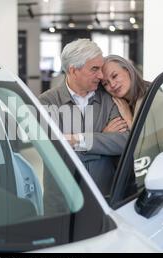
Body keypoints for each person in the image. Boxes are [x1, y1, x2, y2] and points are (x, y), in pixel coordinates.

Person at [39, 39, 129, 198]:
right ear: (73, 71)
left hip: (105, 197)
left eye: (101, 68)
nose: (101, 76)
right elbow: (54, 152)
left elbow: (124, 142)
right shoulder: (47, 102)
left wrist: (76, 141)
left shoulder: (109, 98)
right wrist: (103, 138)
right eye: (94, 69)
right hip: (62, 200)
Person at [101, 55, 163, 165]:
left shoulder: (160, 103)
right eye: (105, 83)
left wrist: (129, 120)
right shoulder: (120, 108)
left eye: (114, 76)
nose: (112, 84)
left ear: (128, 70)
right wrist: (105, 135)